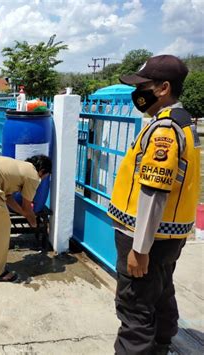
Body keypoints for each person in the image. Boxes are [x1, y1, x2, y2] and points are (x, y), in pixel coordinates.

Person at [107, 55, 200, 354]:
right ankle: (161, 344)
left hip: (146, 236)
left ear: (163, 88)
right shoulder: (182, 123)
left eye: (142, 86)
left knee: (135, 307)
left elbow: (154, 191)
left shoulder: (164, 130)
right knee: (160, 293)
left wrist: (139, 248)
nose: (137, 93)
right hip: (168, 236)